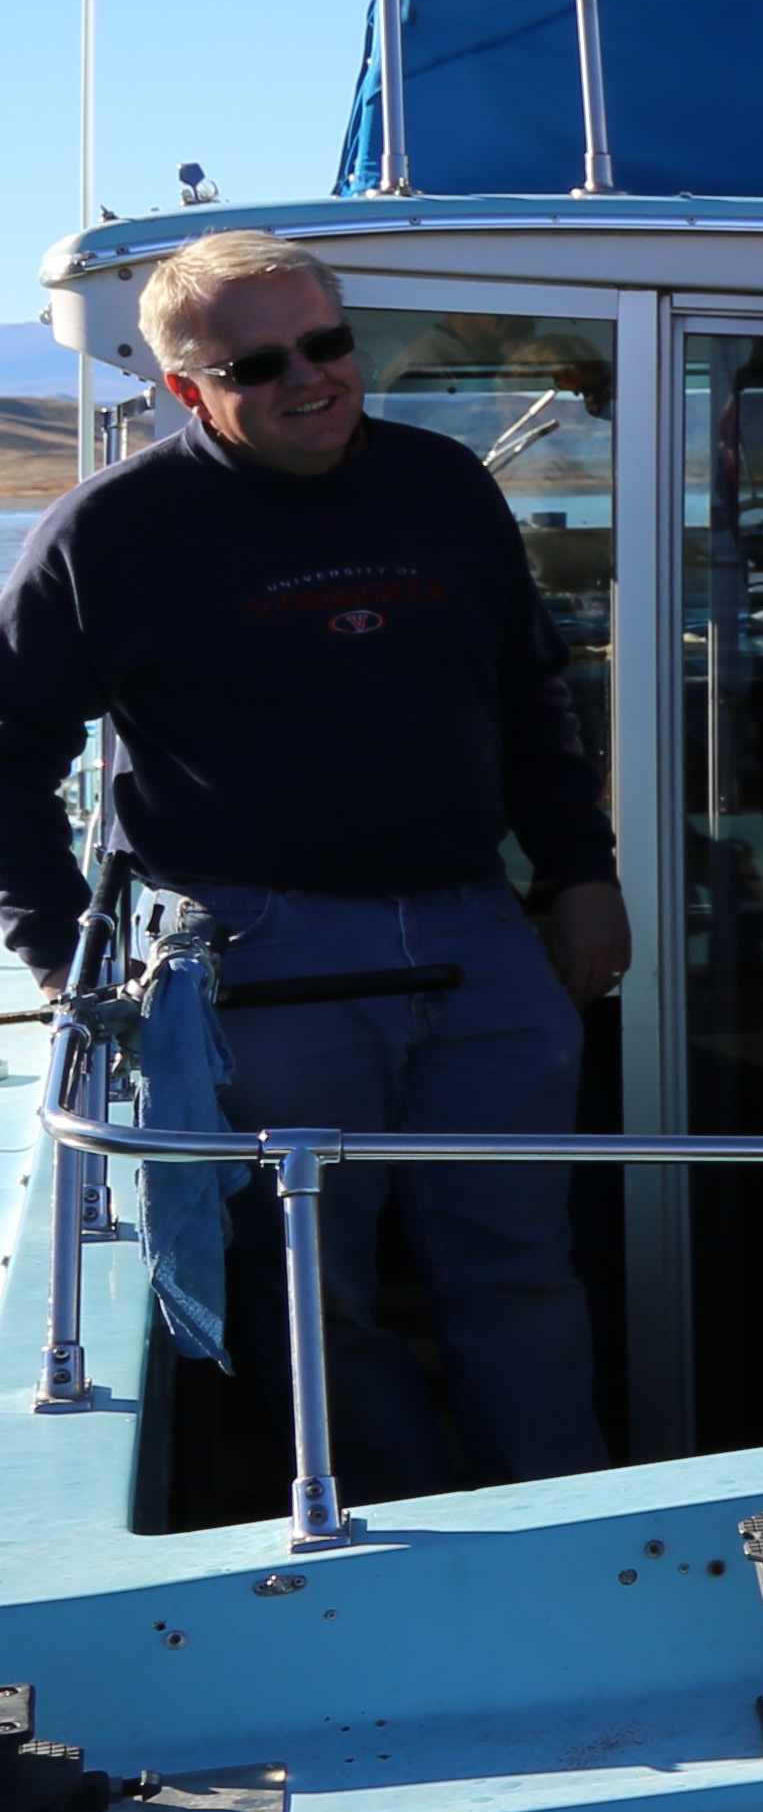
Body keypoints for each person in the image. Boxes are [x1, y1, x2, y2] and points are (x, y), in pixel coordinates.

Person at [0, 233, 624, 1488]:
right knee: (311, 1292)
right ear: (188, 389)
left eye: (329, 344)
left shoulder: (445, 487)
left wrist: (581, 873)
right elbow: (10, 747)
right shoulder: (107, 533)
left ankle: (568, 1526)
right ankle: (379, 1545)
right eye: (258, 363)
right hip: (260, 958)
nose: (310, 378)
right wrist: (62, 952)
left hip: (476, 938)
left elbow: (532, 697)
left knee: (521, 1270)